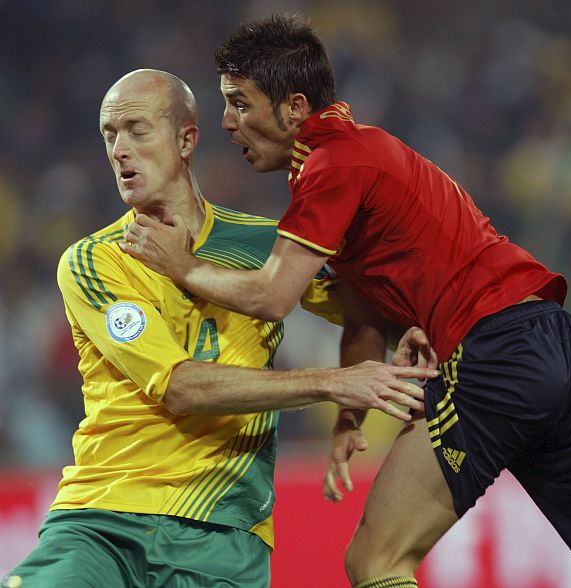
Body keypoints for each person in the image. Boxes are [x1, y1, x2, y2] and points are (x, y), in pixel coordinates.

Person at [119, 16, 571, 588]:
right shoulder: (360, 155)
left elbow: (273, 295)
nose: (226, 121)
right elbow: (363, 309)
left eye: (238, 103)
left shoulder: (332, 166)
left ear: (293, 108)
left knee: (375, 562)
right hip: (552, 337)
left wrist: (181, 264)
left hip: (493, 356)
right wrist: (348, 415)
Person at [1, 69, 438, 588]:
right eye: (109, 134)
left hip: (226, 533)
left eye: (137, 130)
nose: (119, 150)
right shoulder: (94, 261)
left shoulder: (268, 246)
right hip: (104, 521)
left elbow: (366, 309)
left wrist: (404, 334)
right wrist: (333, 382)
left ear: (186, 140)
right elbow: (181, 387)